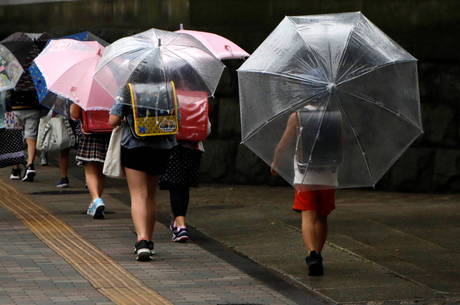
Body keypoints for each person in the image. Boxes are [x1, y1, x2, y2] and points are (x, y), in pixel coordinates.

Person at [109, 83, 176, 261]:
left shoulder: (127, 88)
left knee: (138, 194)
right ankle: (149, 240)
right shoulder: (168, 88)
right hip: (162, 145)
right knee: (151, 195)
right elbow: (178, 117)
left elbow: (113, 120)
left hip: (135, 145)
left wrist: (124, 118)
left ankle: (142, 240)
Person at [271, 108, 340, 276]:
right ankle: (319, 252)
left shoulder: (297, 116)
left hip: (305, 174)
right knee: (322, 216)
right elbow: (341, 142)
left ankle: (312, 253)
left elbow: (282, 145)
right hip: (328, 173)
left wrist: (275, 162)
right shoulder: (335, 115)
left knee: (308, 215)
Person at [70, 103, 110, 219]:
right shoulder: (113, 90)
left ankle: (96, 199)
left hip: (89, 133)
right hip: (108, 133)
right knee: (102, 171)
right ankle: (95, 202)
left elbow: (75, 114)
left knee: (90, 171)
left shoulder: (84, 91)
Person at [7, 89, 41, 182]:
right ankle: (30, 165)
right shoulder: (35, 74)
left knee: (14, 138)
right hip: (33, 106)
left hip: (13, 108)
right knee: (31, 137)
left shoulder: (10, 74)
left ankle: (15, 170)